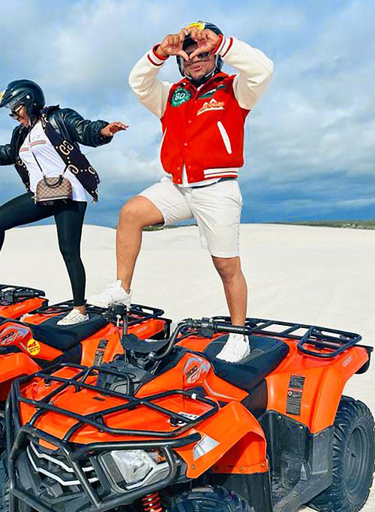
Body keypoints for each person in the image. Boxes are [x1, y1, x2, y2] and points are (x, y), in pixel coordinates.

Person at [89, 21, 274, 361]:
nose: (195, 59)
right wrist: (160, 52)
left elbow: (263, 69)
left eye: (203, 53)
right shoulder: (172, 93)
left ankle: (238, 334)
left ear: (215, 55)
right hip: (176, 185)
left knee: (226, 266)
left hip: (217, 189)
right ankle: (121, 290)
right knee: (130, 213)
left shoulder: (236, 89)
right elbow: (138, 82)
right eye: (189, 55)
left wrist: (221, 43)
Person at [0, 79, 127, 325]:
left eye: (15, 108)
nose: (13, 115)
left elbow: (83, 128)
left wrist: (103, 131)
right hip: (42, 194)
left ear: (29, 101)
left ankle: (80, 309)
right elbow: (10, 153)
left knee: (69, 251)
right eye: (10, 111)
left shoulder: (58, 118)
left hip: (69, 194)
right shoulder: (21, 133)